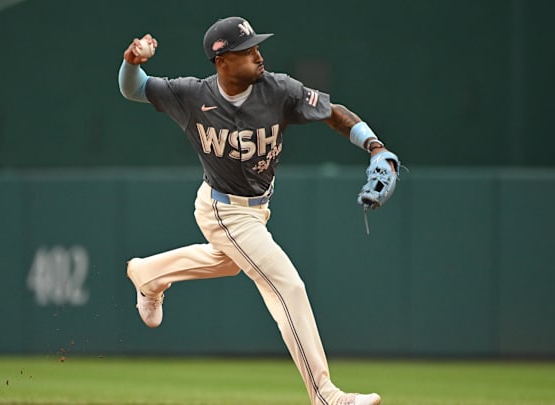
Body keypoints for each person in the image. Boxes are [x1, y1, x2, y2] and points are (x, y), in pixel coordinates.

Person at [118, 16, 399, 405]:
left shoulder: (279, 90)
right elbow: (134, 89)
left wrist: (376, 147)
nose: (258, 55)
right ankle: (325, 395)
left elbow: (334, 112)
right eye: (247, 51)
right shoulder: (191, 94)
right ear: (222, 61)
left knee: (230, 262)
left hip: (256, 208)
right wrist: (132, 61)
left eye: (256, 47)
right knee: (287, 286)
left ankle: (148, 273)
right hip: (223, 209)